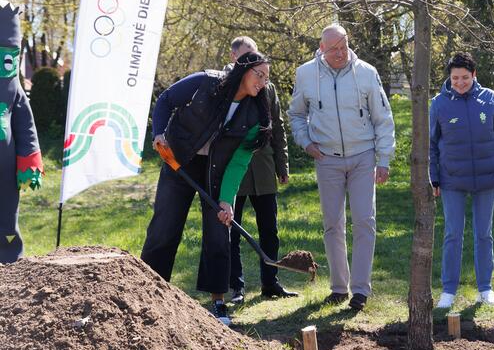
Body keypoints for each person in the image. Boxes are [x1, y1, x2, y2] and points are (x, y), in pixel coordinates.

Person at [141, 51, 272, 324]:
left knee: (218, 234)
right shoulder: (205, 82)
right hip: (179, 160)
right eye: (259, 75)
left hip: (217, 171)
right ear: (242, 69)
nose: (262, 82)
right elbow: (166, 100)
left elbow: (239, 161)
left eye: (266, 78)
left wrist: (227, 200)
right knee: (164, 229)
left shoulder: (254, 114)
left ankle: (218, 303)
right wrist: (159, 133)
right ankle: (146, 294)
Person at [288, 24, 395, 311]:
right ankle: (338, 288)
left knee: (364, 221)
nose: (340, 52)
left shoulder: (367, 72)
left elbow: (383, 117)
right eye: (333, 48)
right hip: (327, 159)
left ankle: (360, 290)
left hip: (363, 155)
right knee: (333, 224)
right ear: (322, 49)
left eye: (344, 45)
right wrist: (306, 142)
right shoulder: (306, 74)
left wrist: (383, 159)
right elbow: (296, 115)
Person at [429, 52, 494, 309]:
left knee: (483, 234)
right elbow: (432, 145)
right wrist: (433, 177)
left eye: (465, 77)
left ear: (474, 75)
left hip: (487, 178)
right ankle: (448, 291)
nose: (460, 82)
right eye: (455, 78)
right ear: (449, 77)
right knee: (453, 234)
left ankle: (485, 289)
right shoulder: (438, 104)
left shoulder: (490, 99)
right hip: (451, 179)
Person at [223, 37, 297, 304]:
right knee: (231, 231)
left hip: (263, 169)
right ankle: (236, 287)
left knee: (270, 230)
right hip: (234, 171)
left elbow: (278, 128)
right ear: (234, 58)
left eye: (255, 58)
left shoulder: (269, 88)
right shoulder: (223, 85)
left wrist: (282, 164)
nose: (252, 65)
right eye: (246, 58)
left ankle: (270, 282)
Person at [0, 0, 44, 264]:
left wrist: (30, 160)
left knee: (7, 214)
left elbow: (25, 126)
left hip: (6, 168)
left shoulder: (14, 89)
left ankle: (8, 258)